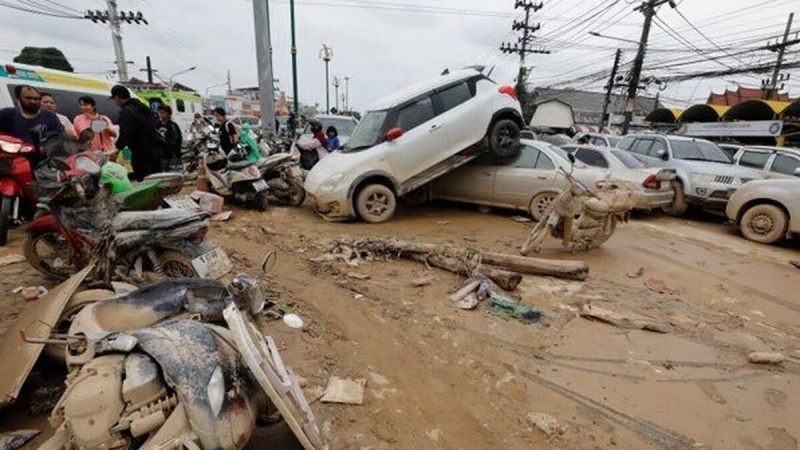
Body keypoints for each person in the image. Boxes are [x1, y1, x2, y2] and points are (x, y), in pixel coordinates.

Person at [110, 84, 162, 181]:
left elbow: (126, 132)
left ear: (117, 97)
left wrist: (118, 147)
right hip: (156, 150)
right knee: (157, 180)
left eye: (114, 99)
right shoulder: (143, 107)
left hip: (141, 153)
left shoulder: (126, 111)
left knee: (145, 181)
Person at [156, 105, 183, 172]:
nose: (160, 114)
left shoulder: (173, 126)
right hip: (160, 156)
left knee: (174, 174)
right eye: (159, 112)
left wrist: (172, 147)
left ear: (168, 114)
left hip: (172, 155)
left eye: (162, 112)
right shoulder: (155, 125)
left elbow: (178, 140)